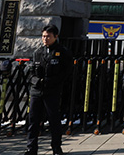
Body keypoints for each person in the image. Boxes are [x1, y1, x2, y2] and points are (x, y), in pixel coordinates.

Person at [25, 24, 72, 155]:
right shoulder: (37, 52)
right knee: (33, 120)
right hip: (36, 91)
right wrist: (36, 81)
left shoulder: (62, 52)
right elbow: (30, 72)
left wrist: (51, 82)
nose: (45, 39)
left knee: (54, 121)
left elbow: (66, 72)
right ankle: (31, 148)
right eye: (43, 36)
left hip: (52, 91)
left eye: (48, 36)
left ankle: (56, 147)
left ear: (55, 37)